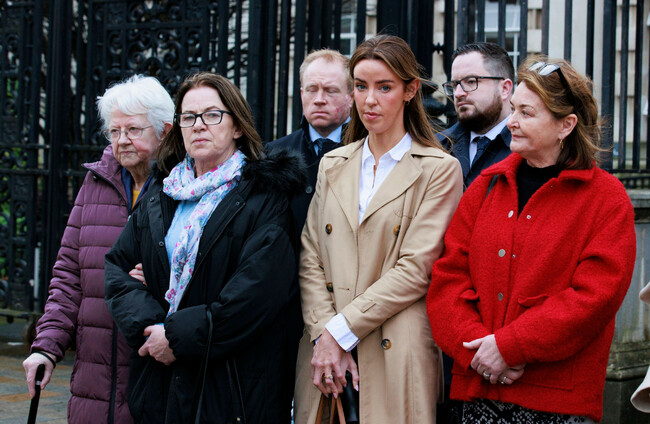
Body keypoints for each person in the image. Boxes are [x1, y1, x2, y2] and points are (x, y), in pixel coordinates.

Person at [426, 56, 636, 423]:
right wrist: (480, 351)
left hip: (557, 400)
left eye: (526, 113)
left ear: (566, 125)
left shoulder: (607, 199)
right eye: (513, 109)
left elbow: (594, 298)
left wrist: (509, 347)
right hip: (477, 391)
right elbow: (448, 279)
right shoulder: (485, 187)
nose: (512, 122)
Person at [104, 72, 305, 424]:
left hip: (230, 388)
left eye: (212, 115)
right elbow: (118, 269)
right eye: (189, 117)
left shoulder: (264, 197)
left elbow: (256, 294)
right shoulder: (163, 194)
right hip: (161, 384)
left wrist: (176, 337)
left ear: (237, 126)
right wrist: (153, 329)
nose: (199, 125)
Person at [294, 34, 463, 424]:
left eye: (384, 87)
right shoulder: (333, 163)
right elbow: (310, 256)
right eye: (360, 86)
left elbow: (415, 269)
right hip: (325, 353)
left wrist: (339, 331)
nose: (369, 100)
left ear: (410, 90)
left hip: (395, 348)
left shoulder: (439, 170)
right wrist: (323, 334)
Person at [22, 75, 174, 424]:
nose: (122, 140)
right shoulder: (95, 183)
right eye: (114, 131)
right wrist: (47, 346)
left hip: (153, 377)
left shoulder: (183, 187)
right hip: (92, 384)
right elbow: (67, 277)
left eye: (133, 130)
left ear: (164, 131)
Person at [266, 49, 353, 232]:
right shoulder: (273, 154)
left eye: (331, 91)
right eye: (312, 90)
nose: (319, 100)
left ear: (351, 97)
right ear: (301, 94)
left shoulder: (370, 150)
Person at [440, 42, 514, 188]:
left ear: (505, 89)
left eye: (471, 82)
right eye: (454, 85)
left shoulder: (528, 149)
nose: (458, 93)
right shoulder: (440, 146)